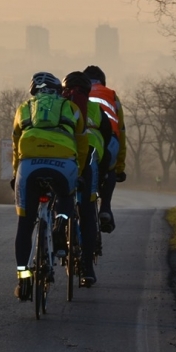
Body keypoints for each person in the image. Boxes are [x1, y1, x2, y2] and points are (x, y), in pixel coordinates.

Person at [10, 71, 84, 300]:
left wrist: (16, 173)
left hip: (30, 164)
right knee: (65, 197)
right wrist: (78, 171)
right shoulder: (71, 108)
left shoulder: (23, 108)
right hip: (63, 163)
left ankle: (23, 279)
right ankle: (60, 225)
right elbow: (82, 142)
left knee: (25, 223)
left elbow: (15, 143)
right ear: (58, 91)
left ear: (34, 91)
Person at [61, 70, 108, 287]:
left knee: (61, 200)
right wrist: (107, 172)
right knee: (88, 212)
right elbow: (109, 144)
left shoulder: (60, 107)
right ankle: (88, 268)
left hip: (63, 160)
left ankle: (59, 229)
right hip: (88, 160)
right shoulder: (97, 110)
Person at [83, 65, 127, 234]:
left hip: (82, 138)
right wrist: (120, 168)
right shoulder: (112, 95)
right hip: (110, 139)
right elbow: (121, 132)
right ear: (103, 81)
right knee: (109, 170)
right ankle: (106, 209)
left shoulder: (75, 93)